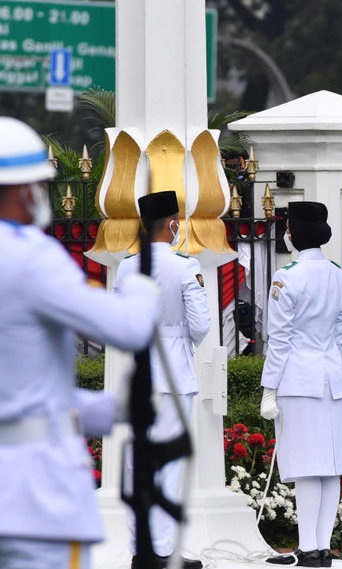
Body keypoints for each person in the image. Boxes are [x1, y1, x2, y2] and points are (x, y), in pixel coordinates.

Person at [0, 117, 160, 569]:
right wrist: (143, 289)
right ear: (24, 189)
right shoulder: (29, 255)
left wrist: (109, 411)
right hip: (33, 500)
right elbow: (128, 328)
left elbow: (21, 388)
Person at [261, 201, 342, 568]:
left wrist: (269, 387)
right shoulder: (337, 273)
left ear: (293, 233)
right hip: (333, 378)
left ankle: (307, 548)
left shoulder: (288, 276)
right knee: (330, 465)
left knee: (306, 466)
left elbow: (280, 339)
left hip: (299, 380)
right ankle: (321, 548)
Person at [116, 191, 210, 569]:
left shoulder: (126, 267)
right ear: (172, 224)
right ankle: (163, 552)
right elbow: (202, 325)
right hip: (172, 375)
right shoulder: (185, 266)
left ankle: (141, 551)